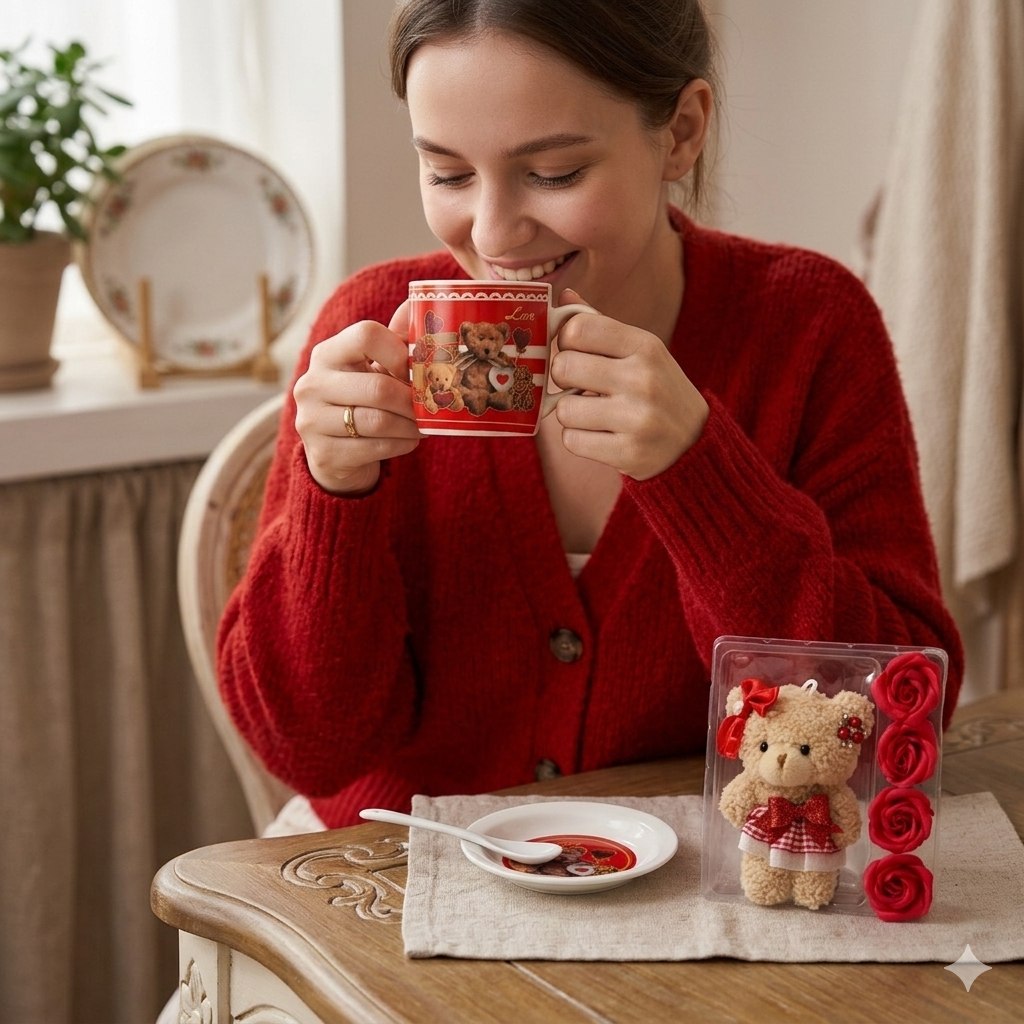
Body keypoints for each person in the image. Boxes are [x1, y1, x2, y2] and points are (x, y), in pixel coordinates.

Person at [216, 0, 964, 832]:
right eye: (449, 173)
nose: (494, 232)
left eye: (555, 173)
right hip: (395, 875)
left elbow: (899, 730)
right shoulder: (368, 324)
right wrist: (333, 498)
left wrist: (702, 475)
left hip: (698, 891)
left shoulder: (809, 327)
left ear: (681, 131)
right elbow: (307, 749)